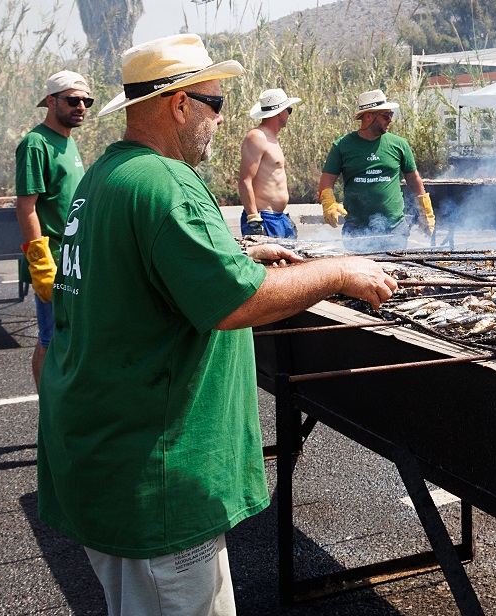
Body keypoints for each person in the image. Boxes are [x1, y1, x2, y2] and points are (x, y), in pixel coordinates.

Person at [36, 34, 396, 616]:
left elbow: (140, 272)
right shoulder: (167, 182)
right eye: (215, 104)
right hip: (157, 478)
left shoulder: (108, 175)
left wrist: (239, 256)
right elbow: (235, 304)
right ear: (179, 104)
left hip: (103, 458)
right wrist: (338, 271)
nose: (221, 121)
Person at [15, 70, 91, 389]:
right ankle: (48, 418)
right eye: (73, 100)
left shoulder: (67, 142)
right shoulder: (36, 144)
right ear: (51, 101)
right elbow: (26, 206)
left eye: (86, 101)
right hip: (54, 262)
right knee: (50, 340)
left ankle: (65, 410)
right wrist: (41, 262)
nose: (81, 107)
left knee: (69, 339)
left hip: (73, 260)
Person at [317, 89, 434, 252]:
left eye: (391, 114)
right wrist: (329, 202)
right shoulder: (342, 146)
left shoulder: (399, 144)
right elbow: (326, 181)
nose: (390, 119)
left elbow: (414, 179)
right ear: (368, 116)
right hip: (356, 230)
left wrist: (425, 210)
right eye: (386, 115)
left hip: (394, 230)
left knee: (396, 274)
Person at [238, 87, 301, 238]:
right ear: (280, 112)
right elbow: (245, 181)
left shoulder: (272, 138)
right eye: (289, 110)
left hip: (279, 218)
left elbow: (271, 179)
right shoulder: (257, 137)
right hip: (264, 218)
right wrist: (253, 218)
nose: (289, 114)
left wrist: (284, 213)